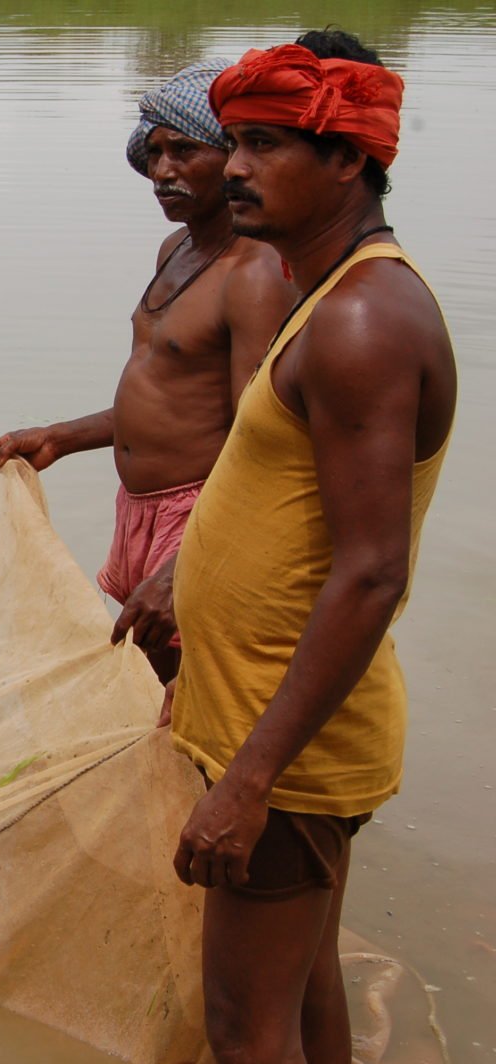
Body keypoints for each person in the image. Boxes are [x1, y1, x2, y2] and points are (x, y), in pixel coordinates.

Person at [166, 30, 456, 1062]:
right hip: (269, 714)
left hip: (287, 746)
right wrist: (181, 573)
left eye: (268, 144)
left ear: (350, 160)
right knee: (307, 991)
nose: (234, 166)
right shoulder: (323, 291)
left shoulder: (363, 321)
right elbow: (284, 503)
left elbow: (373, 568)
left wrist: (248, 778)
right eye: (234, 141)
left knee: (246, 1026)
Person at [0, 59, 292, 682]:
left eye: (183, 151)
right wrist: (61, 437)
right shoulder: (177, 250)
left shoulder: (254, 273)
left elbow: (257, 442)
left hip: (201, 515)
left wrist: (187, 563)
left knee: (203, 694)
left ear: (234, 157)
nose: (161, 172)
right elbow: (167, 392)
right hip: (141, 507)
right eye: (154, 153)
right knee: (162, 687)